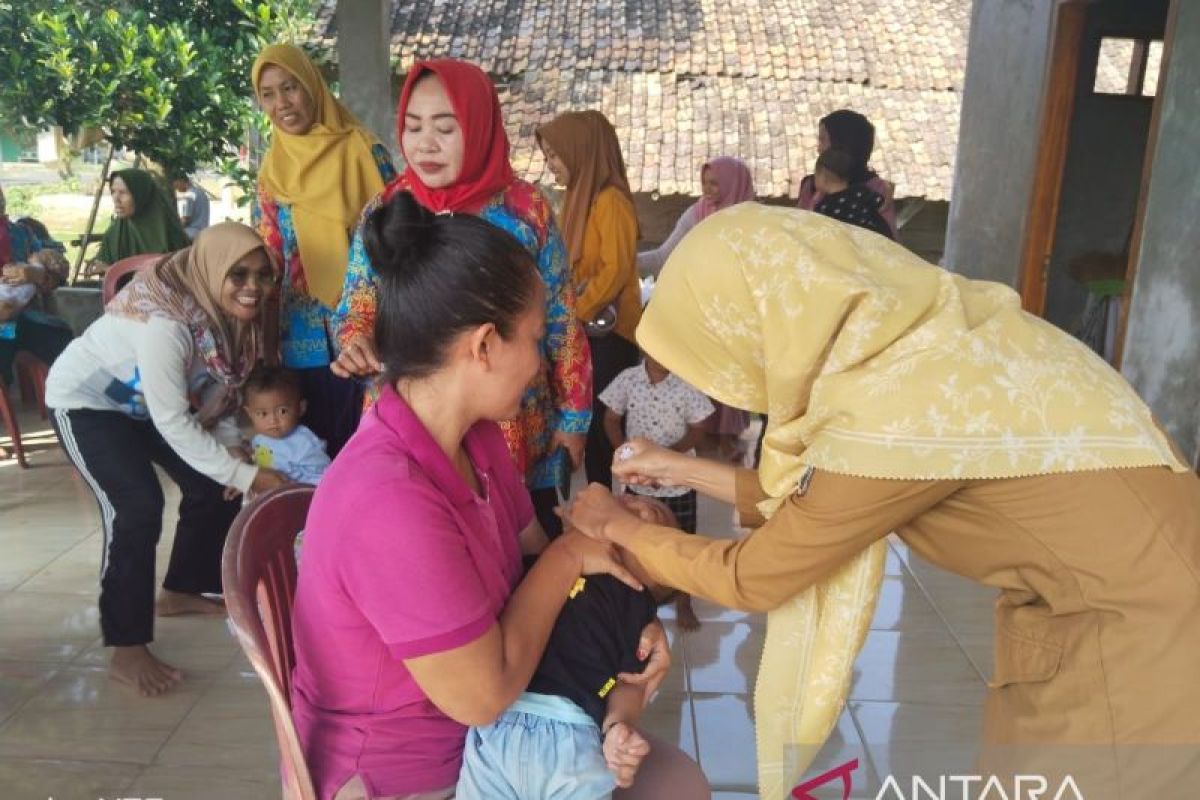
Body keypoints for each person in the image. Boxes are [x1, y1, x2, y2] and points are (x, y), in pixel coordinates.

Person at [562, 202, 1200, 799]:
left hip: (1137, 638)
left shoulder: (898, 407)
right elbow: (818, 496)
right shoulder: (916, 344)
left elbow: (756, 575)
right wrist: (673, 465)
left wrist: (622, 525)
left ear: (769, 319)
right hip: (1127, 599)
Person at [292, 193, 708, 800]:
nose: (541, 365)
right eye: (536, 340)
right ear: (484, 346)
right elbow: (483, 694)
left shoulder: (477, 440)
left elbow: (532, 572)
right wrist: (574, 556)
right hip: (411, 773)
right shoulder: (388, 498)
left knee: (681, 785)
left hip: (493, 739)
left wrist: (627, 623)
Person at [333, 59, 590, 537]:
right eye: (413, 126)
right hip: (418, 409)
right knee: (424, 528)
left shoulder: (524, 211)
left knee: (512, 536)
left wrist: (574, 414)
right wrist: (354, 339)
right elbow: (358, 301)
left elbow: (559, 318)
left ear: (479, 126)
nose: (425, 143)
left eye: (445, 128)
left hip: (509, 406)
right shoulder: (389, 208)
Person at [45, 222, 289, 697]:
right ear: (210, 269)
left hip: (145, 407)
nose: (253, 288)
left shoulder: (230, 318)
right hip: (86, 405)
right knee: (135, 509)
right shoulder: (168, 323)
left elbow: (214, 391)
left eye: (263, 275)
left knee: (211, 485)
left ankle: (180, 590)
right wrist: (249, 474)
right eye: (238, 275)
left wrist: (230, 455)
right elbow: (173, 419)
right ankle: (127, 647)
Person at [457, 498, 681, 799]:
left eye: (651, 514)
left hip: (571, 735)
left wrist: (618, 726)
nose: (632, 501)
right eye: (626, 499)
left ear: (651, 574)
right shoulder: (551, 563)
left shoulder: (634, 604)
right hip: (497, 727)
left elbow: (631, 682)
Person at [252, 43, 397, 457]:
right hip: (302, 332)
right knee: (314, 448)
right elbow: (272, 251)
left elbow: (398, 236)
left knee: (371, 443)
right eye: (268, 93)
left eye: (290, 87)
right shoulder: (272, 171)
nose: (281, 103)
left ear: (313, 87)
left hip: (370, 328)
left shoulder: (363, 150)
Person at [536, 110, 641, 492]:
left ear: (582, 152)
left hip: (609, 337)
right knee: (588, 426)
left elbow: (613, 272)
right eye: (547, 156)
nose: (551, 166)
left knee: (603, 428)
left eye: (556, 155)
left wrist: (573, 313)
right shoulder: (579, 202)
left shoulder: (610, 202)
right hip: (587, 333)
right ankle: (600, 510)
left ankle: (614, 515)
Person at [599, 353, 713, 630]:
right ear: (644, 346)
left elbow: (700, 427)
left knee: (683, 543)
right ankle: (636, 602)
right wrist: (624, 454)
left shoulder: (687, 383)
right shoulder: (628, 379)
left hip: (677, 484)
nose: (663, 354)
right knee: (633, 544)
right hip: (637, 482)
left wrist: (668, 459)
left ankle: (684, 601)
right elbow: (611, 419)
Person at [0, 182, 74, 386]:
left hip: (24, 321)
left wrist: (38, 274)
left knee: (62, 341)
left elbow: (59, 268)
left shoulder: (21, 233)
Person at [636, 157, 755, 279]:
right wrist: (625, 263)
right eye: (704, 183)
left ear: (732, 184)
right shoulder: (697, 215)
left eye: (714, 184)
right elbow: (663, 258)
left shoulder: (754, 221)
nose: (706, 189)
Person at [796, 109, 897, 237]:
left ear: (843, 144)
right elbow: (797, 230)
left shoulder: (876, 190)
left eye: (823, 140)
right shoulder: (811, 185)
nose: (819, 149)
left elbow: (887, 242)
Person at [243, 365, 330, 485]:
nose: (273, 421)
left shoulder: (304, 444)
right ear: (250, 413)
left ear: (300, 408)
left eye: (282, 411)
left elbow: (325, 479)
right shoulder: (260, 438)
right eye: (263, 414)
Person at [90, 168, 190, 272]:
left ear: (141, 195)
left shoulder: (169, 232)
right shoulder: (114, 234)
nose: (116, 199)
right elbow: (102, 270)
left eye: (123, 192)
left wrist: (113, 270)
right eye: (113, 191)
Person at [811, 147, 893, 239]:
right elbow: (882, 205)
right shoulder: (861, 191)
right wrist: (889, 190)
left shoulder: (824, 207)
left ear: (822, 178)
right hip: (875, 238)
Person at [172, 173, 211, 241]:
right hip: (203, 231)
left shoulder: (188, 196)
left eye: (176, 185)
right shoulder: (201, 193)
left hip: (191, 232)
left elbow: (184, 221)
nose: (176, 189)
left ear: (181, 181)